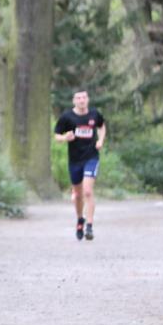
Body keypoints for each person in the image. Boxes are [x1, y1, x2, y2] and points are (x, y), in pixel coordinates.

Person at [53, 90, 106, 241]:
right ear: (74, 101)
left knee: (87, 191)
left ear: (88, 100)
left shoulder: (95, 114)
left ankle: (89, 226)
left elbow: (102, 126)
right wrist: (65, 137)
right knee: (77, 195)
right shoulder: (67, 117)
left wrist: (100, 140)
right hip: (75, 160)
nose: (81, 100)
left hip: (91, 157)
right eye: (78, 98)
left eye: (84, 97)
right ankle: (80, 220)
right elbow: (57, 135)